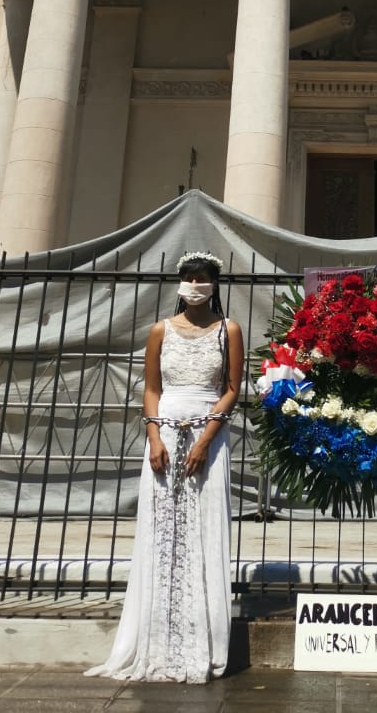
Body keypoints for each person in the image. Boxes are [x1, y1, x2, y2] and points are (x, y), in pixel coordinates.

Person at [87, 250, 244, 683]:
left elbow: (232, 388)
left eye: (203, 278)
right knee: (162, 530)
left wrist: (207, 439)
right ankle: (156, 637)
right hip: (164, 432)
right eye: (189, 277)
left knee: (203, 527)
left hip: (207, 431)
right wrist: (154, 436)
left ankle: (202, 639)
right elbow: (151, 389)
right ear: (180, 283)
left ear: (214, 284)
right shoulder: (160, 330)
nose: (196, 284)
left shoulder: (227, 330)